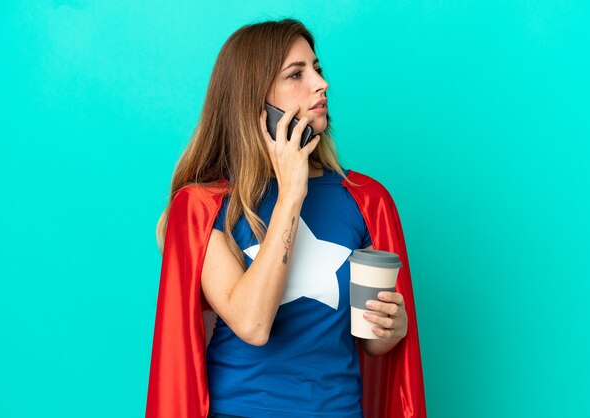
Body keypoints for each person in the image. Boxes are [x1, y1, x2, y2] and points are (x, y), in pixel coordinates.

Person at [146, 18, 426, 418]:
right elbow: (253, 324)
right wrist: (290, 193)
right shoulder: (202, 207)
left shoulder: (366, 199)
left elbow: (373, 343)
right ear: (253, 99)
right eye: (296, 74)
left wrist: (391, 329)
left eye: (317, 69)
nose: (320, 84)